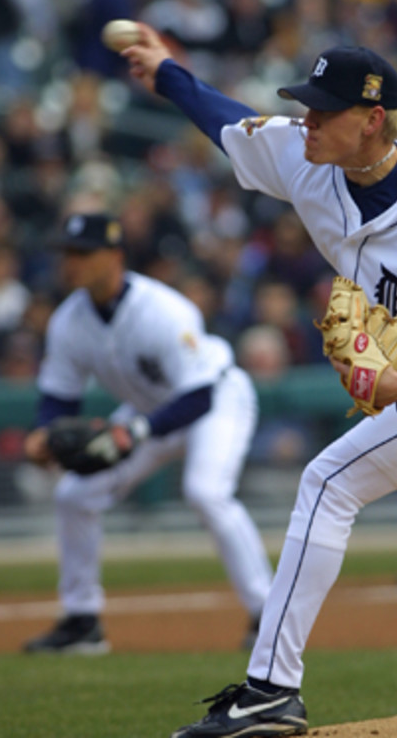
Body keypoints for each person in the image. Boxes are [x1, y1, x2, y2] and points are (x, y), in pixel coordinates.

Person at [120, 30, 397, 736]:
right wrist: (167, 72)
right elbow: (224, 121)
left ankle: (271, 689)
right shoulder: (304, 155)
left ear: (371, 122)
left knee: (330, 482)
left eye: (324, 110)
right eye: (307, 105)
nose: (307, 120)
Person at [22, 212, 273, 654]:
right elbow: (60, 396)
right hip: (149, 413)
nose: (70, 263)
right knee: (74, 496)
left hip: (217, 399)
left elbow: (197, 398)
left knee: (205, 492)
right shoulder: (68, 321)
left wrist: (134, 432)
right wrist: (44, 433)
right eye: (65, 253)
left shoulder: (163, 311)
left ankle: (268, 616)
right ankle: (82, 622)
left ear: (115, 256)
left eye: (82, 253)